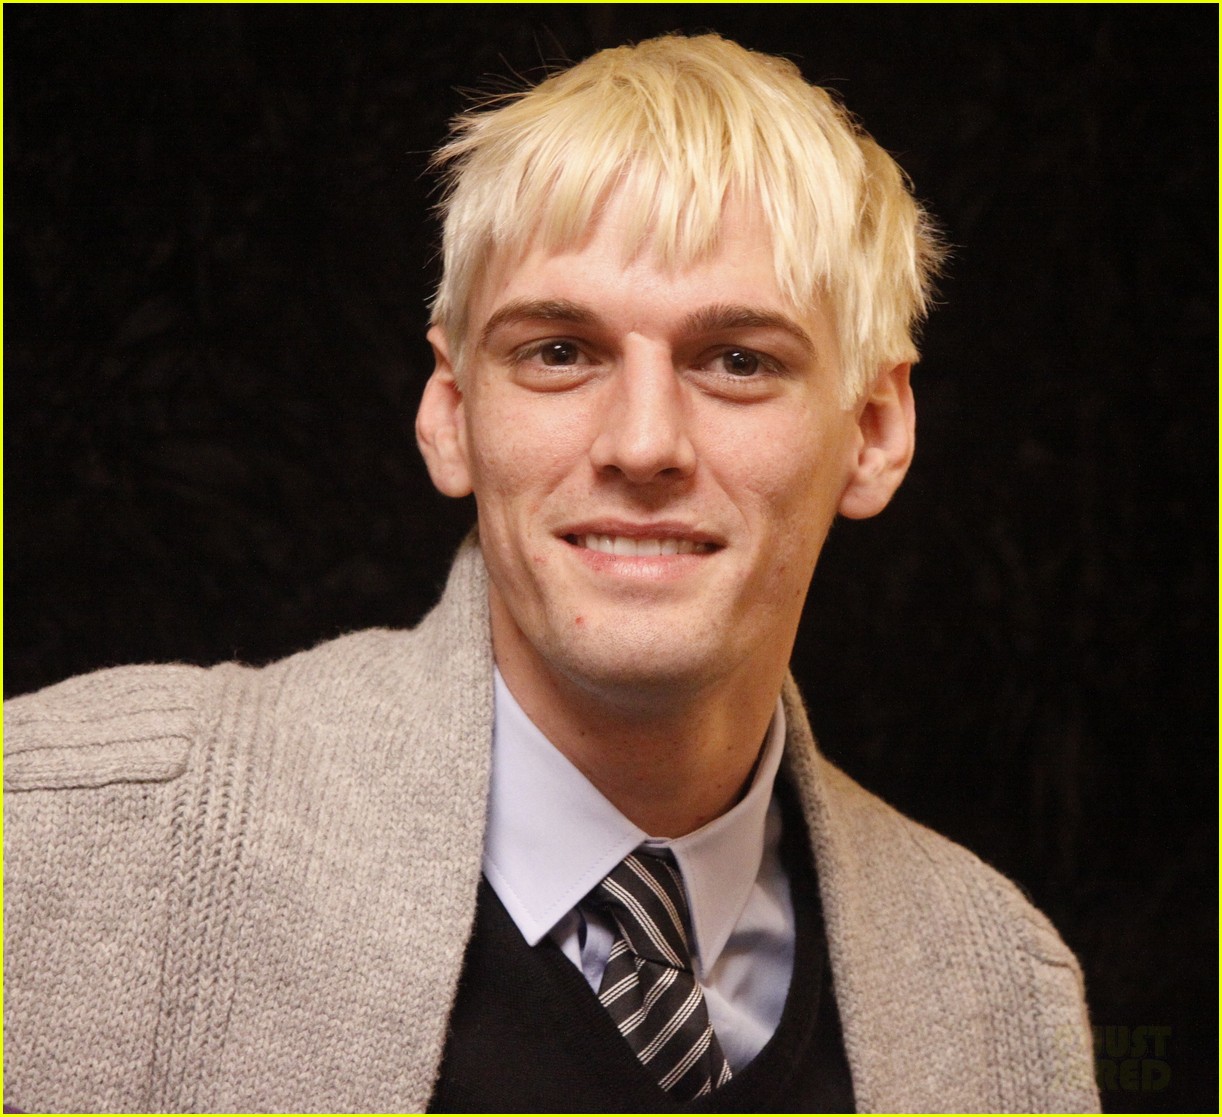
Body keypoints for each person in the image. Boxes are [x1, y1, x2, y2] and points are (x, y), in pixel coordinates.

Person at [3, 33, 1099, 1113]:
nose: (642, 443)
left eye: (737, 360)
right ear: (450, 412)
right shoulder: (61, 838)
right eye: (560, 351)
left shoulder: (1007, 997)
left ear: (874, 429)